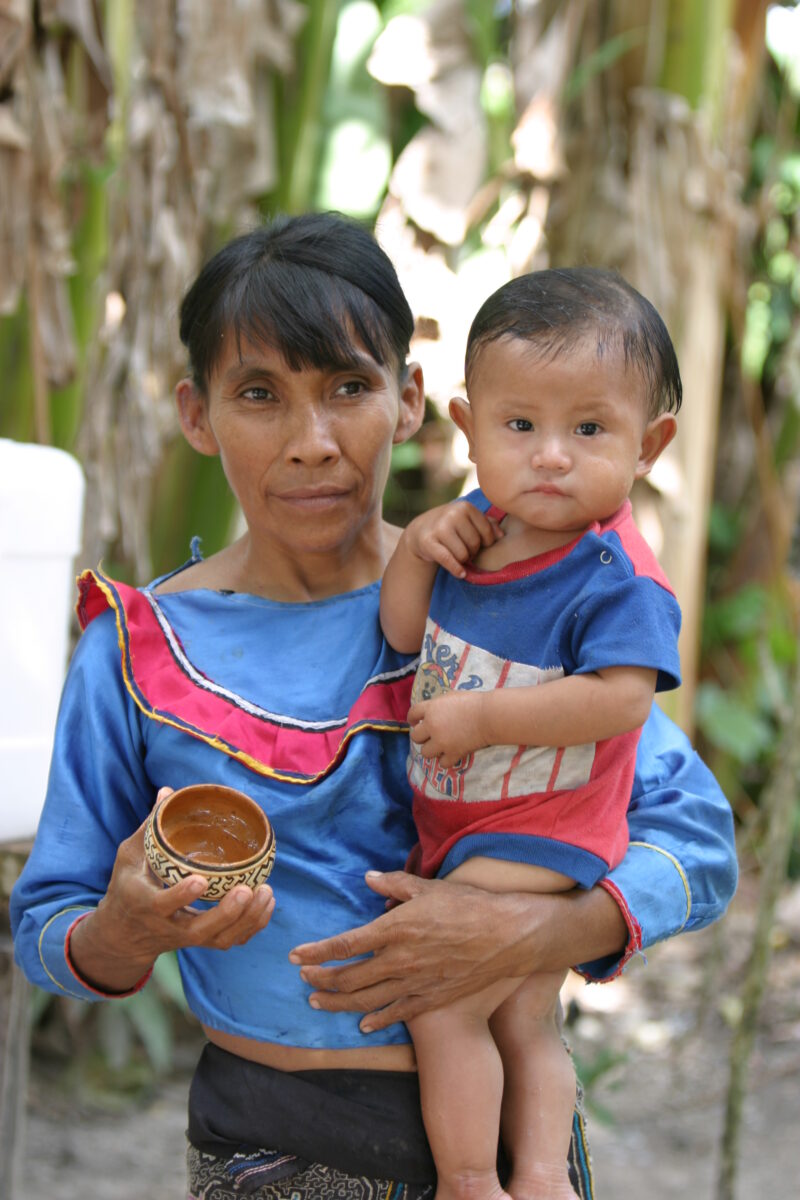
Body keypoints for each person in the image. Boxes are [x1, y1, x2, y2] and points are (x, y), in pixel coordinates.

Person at [10, 213, 737, 1200]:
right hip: (270, 1145)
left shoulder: (517, 595)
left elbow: (697, 843)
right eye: (258, 395)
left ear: (408, 401)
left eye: (348, 388)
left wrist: (536, 933)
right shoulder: (139, 653)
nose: (311, 444)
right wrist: (124, 930)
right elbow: (47, 923)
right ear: (196, 414)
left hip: (517, 1150)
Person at [379, 268, 684, 1200]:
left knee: (442, 1004)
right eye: (520, 426)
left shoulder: (616, 575)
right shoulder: (477, 529)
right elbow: (401, 632)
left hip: (543, 828)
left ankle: (472, 1179)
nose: (551, 456)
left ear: (648, 445)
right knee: (519, 1015)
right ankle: (544, 1178)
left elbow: (620, 701)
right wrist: (415, 548)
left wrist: (483, 719)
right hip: (472, 823)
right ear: (469, 429)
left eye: (589, 429)